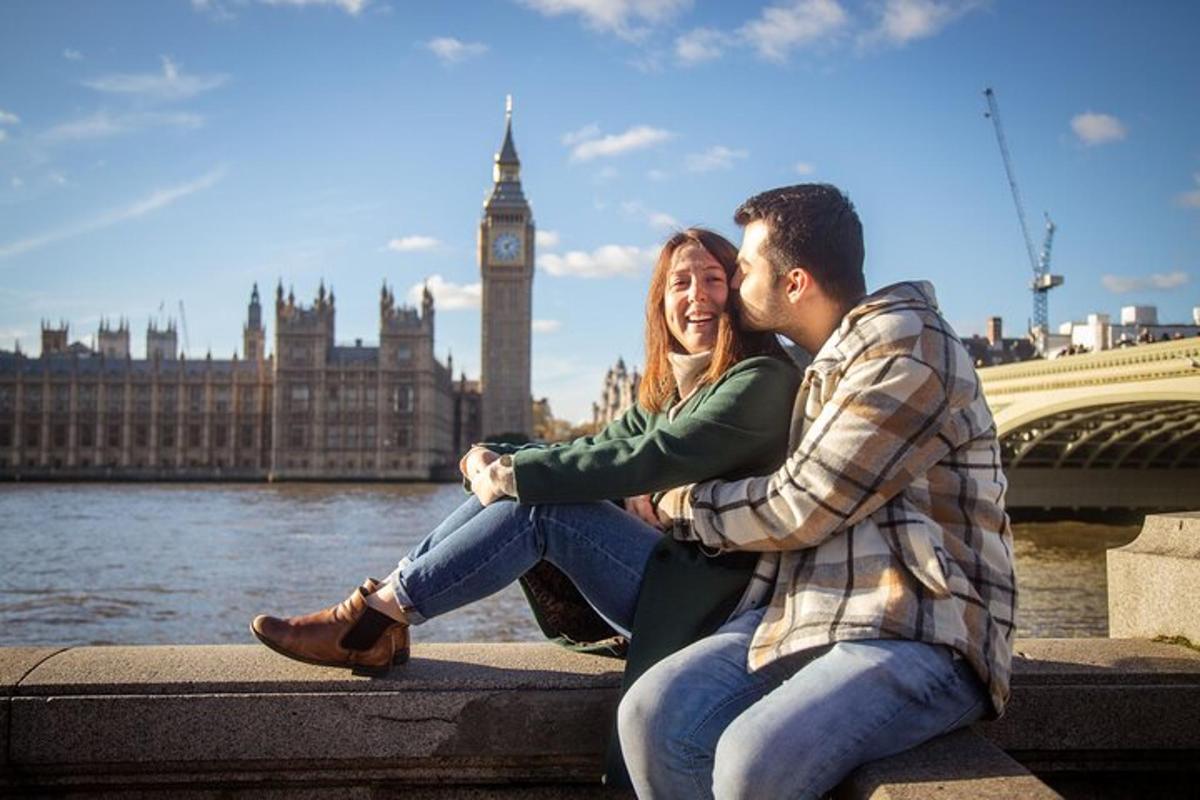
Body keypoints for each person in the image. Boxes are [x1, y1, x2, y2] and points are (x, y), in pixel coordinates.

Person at [250, 228, 801, 689]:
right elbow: (591, 450)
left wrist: (518, 475)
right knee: (529, 490)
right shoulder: (665, 392)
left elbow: (657, 454)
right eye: (681, 282)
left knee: (541, 507)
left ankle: (366, 624)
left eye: (713, 280)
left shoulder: (761, 380)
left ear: (739, 293)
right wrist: (496, 457)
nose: (697, 296)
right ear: (660, 301)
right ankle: (380, 614)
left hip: (716, 605)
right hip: (669, 577)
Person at [618, 185, 1017, 799]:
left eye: (745, 269)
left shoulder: (906, 342)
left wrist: (680, 504)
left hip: (920, 629)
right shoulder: (820, 367)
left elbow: (801, 504)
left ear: (795, 282)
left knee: (752, 762)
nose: (733, 280)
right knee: (651, 715)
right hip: (807, 618)